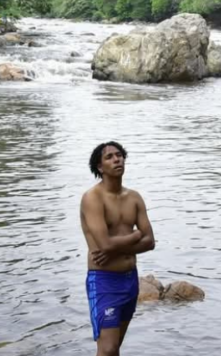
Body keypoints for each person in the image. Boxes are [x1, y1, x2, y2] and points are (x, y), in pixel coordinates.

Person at [80, 141, 155, 356]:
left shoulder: (134, 197)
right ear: (100, 167)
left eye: (119, 155)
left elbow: (150, 241)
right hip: (104, 280)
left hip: (130, 280)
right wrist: (135, 235)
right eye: (109, 157)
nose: (117, 159)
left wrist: (117, 248)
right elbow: (104, 244)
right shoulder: (92, 198)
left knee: (115, 348)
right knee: (108, 348)